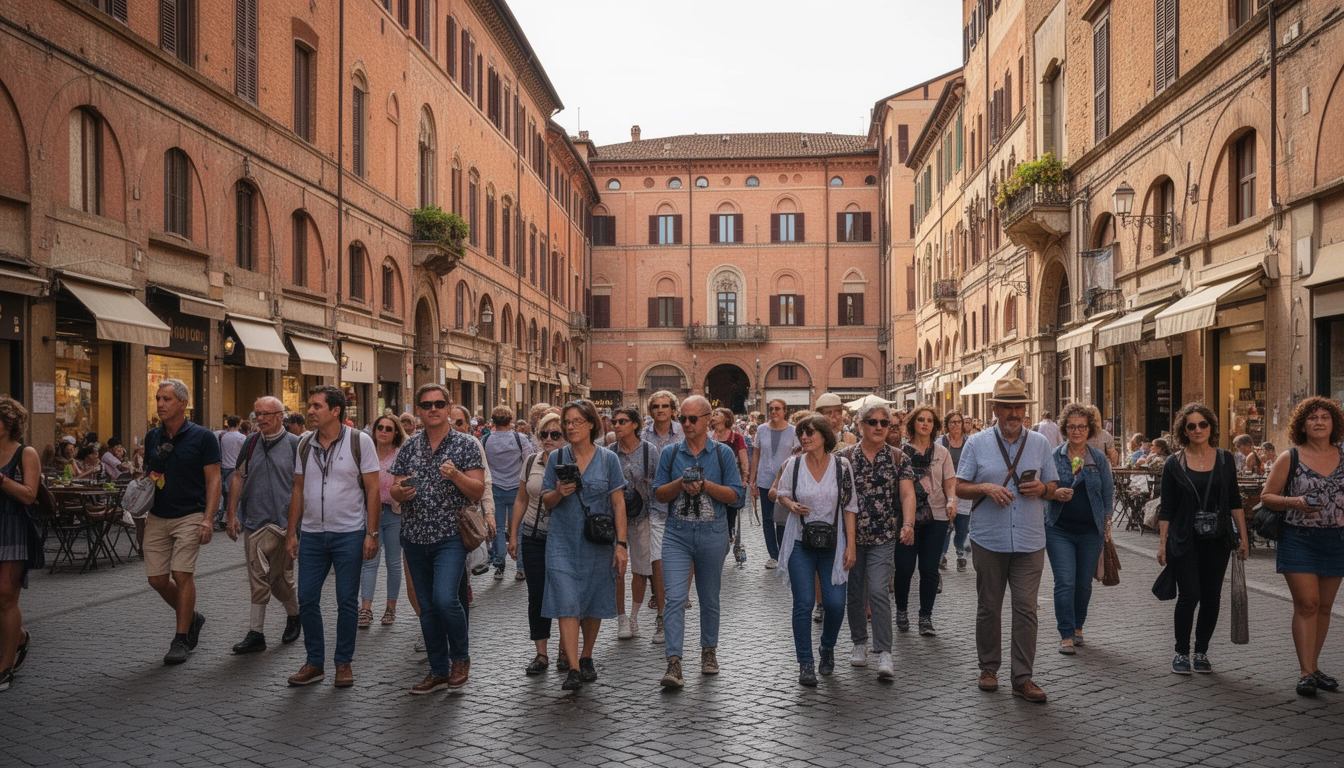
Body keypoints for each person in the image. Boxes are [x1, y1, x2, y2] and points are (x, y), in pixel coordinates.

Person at [955, 378, 1058, 703]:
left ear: (1025, 410)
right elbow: (959, 486)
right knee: (989, 607)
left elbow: (1053, 485)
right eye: (1007, 407)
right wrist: (985, 488)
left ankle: (1023, 678)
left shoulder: (1040, 443)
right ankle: (988, 668)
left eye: (1019, 407)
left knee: (1026, 609)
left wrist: (1042, 489)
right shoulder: (977, 443)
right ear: (995, 409)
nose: (1014, 413)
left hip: (1030, 538)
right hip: (989, 539)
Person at [389, 385, 486, 693]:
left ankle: (460, 658)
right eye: (427, 404)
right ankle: (438, 670)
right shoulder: (409, 446)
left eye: (439, 404)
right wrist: (401, 491)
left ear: (448, 407)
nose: (433, 409)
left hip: (450, 536)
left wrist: (456, 476)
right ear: (419, 410)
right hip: (414, 536)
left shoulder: (466, 444)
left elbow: (478, 490)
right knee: (427, 606)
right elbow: (393, 489)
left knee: (446, 599)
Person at [285, 386, 381, 689]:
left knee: (346, 601)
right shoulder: (304, 443)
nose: (310, 411)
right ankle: (315, 662)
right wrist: (291, 532)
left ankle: (343, 663)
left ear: (335, 410)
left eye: (317, 406)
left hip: (349, 533)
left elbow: (374, 489)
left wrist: (372, 533)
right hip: (312, 534)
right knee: (307, 599)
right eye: (310, 405)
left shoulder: (359, 441)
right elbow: (298, 489)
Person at [651, 396, 744, 688]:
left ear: (708, 420)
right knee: (675, 598)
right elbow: (658, 494)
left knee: (709, 598)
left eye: (693, 419)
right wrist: (680, 484)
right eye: (683, 419)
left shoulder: (722, 454)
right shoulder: (670, 453)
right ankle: (673, 662)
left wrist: (706, 486)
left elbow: (736, 496)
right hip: (677, 533)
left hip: (712, 533)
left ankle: (708, 652)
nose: (687, 424)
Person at [1258, 396, 1344, 696]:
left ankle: (1315, 667)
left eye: (1325, 417)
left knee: (1324, 607)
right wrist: (1295, 502)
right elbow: (1267, 497)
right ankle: (1305, 672)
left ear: (1334, 422)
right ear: (1302, 425)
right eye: (1312, 418)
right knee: (1307, 604)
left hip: (1337, 539)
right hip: (1298, 539)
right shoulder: (1290, 457)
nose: (1319, 422)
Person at [540, 399, 628, 691]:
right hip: (561, 540)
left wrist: (621, 544)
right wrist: (558, 492)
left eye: (577, 421)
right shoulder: (556, 458)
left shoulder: (608, 459)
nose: (570, 427)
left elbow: (618, 504)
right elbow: (546, 501)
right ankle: (574, 668)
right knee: (566, 602)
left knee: (592, 599)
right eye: (567, 422)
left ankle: (586, 655)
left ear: (591, 424)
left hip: (597, 542)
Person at [1156, 403, 1248, 676]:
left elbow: (1234, 501)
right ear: (1183, 431)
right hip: (1185, 539)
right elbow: (1166, 508)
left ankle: (1201, 651)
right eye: (1191, 426)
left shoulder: (1225, 459)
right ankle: (1181, 652)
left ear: (1211, 427)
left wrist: (1243, 538)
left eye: (1203, 424)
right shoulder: (1174, 463)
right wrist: (1162, 545)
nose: (1198, 430)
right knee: (1189, 595)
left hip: (1218, 539)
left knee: (1211, 597)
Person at [142, 380, 221, 665]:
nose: (160, 404)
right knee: (156, 579)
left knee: (181, 573)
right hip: (158, 514)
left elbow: (214, 480)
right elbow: (150, 474)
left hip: (191, 514)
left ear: (183, 403)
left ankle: (181, 638)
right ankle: (192, 616)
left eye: (167, 399)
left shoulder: (203, 437)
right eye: (158, 398)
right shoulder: (152, 436)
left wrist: (208, 519)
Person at [775, 415, 857, 686]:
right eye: (801, 432)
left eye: (810, 432)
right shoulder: (794, 464)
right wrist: (791, 505)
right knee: (804, 603)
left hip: (834, 544)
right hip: (801, 542)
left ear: (824, 436)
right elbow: (781, 493)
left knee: (835, 604)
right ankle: (806, 663)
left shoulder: (842, 466)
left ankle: (827, 647)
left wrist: (851, 546)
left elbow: (850, 506)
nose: (804, 437)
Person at [838, 403, 915, 678]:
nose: (880, 427)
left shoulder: (898, 457)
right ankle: (859, 642)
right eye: (873, 422)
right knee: (855, 593)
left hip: (884, 536)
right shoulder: (844, 458)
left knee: (879, 592)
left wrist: (908, 524)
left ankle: (884, 651)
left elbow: (907, 494)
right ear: (860, 426)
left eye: (885, 422)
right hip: (850, 537)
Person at [223, 396, 302, 654]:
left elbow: (302, 487)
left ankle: (294, 615)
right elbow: (237, 476)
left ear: (280, 416)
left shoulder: (295, 445)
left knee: (279, 579)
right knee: (257, 577)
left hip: (284, 524)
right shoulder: (250, 442)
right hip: (255, 522)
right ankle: (256, 632)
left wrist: (296, 527)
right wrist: (231, 515)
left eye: (266, 414)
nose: (261, 418)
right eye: (257, 414)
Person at [1043, 404, 1114, 656]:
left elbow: (1107, 492)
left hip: (1091, 531)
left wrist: (1107, 521)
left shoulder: (1098, 458)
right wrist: (1055, 493)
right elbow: (1044, 488)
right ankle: (1065, 634)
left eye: (1081, 426)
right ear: (1065, 429)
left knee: (1083, 584)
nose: (1076, 431)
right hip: (1059, 529)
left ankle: (1077, 627)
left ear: (1089, 429)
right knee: (1065, 582)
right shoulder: (1054, 456)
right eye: (1072, 426)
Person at [507, 412, 566, 674]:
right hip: (533, 536)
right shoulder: (531, 461)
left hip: (563, 538)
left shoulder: (572, 462)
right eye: (544, 434)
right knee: (537, 595)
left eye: (555, 434)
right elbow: (521, 499)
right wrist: (513, 535)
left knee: (565, 594)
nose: (549, 439)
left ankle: (565, 650)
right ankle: (541, 654)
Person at [897, 405, 958, 635]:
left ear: (935, 426)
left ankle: (925, 617)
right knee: (904, 568)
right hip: (908, 518)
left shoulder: (942, 452)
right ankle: (901, 610)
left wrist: (951, 499)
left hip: (937, 516)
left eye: (930, 421)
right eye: (921, 419)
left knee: (929, 569)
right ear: (913, 423)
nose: (925, 424)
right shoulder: (901, 453)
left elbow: (950, 481)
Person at [0, 397, 40, 692]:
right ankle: (21, 637)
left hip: (12, 528)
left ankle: (5, 666)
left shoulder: (26, 453)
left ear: (9, 423)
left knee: (5, 598)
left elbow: (29, 494)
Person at [609, 407, 656, 641]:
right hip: (615, 518)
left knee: (640, 569)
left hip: (642, 517)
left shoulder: (649, 451)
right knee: (617, 569)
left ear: (635, 425)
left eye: (622, 421)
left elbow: (657, 484)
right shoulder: (609, 452)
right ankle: (621, 618)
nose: (616, 425)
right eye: (614, 422)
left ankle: (634, 617)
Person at [641, 390, 683, 645]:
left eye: (665, 406)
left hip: (683, 506)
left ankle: (678, 600)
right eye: (655, 406)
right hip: (655, 506)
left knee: (683, 559)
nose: (660, 410)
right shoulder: (643, 435)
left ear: (673, 409)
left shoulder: (684, 431)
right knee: (657, 560)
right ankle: (661, 614)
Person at [358, 414, 406, 629]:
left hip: (394, 513)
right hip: (371, 513)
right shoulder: (366, 452)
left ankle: (390, 608)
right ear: (374, 430)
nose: (383, 431)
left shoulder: (400, 455)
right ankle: (366, 609)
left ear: (395, 433)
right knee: (369, 560)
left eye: (388, 428)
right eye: (380, 427)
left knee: (393, 562)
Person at [749, 398, 798, 570]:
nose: (774, 412)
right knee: (768, 518)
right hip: (764, 479)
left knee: (782, 519)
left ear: (785, 411)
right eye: (771, 409)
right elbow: (756, 454)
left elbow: (797, 455)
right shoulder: (761, 429)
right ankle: (773, 555)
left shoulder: (793, 431)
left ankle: (784, 552)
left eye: (777, 408)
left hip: (785, 482)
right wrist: (752, 478)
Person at [483, 407, 530, 581]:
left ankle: (499, 565)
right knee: (518, 528)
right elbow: (528, 461)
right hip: (517, 488)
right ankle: (521, 567)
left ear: (493, 421)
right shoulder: (520, 439)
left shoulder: (486, 440)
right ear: (511, 420)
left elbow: (483, 464)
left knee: (497, 527)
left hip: (496, 488)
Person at [709, 407, 749, 553]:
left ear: (726, 418)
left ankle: (728, 535)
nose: (713, 416)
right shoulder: (709, 436)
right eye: (713, 414)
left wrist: (745, 478)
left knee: (731, 507)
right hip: (714, 476)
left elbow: (744, 459)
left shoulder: (736, 437)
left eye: (717, 414)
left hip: (732, 475)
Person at [939, 411, 971, 572]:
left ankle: (960, 551)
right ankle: (942, 555)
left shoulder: (969, 442)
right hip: (944, 490)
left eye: (959, 422)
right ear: (947, 424)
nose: (956, 425)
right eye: (952, 422)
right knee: (945, 525)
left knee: (962, 526)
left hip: (964, 490)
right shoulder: (941, 442)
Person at [217, 416, 246, 531]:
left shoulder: (223, 436)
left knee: (226, 496)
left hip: (224, 467)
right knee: (236, 496)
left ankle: (227, 519)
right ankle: (237, 520)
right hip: (235, 468)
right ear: (238, 423)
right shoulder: (241, 437)